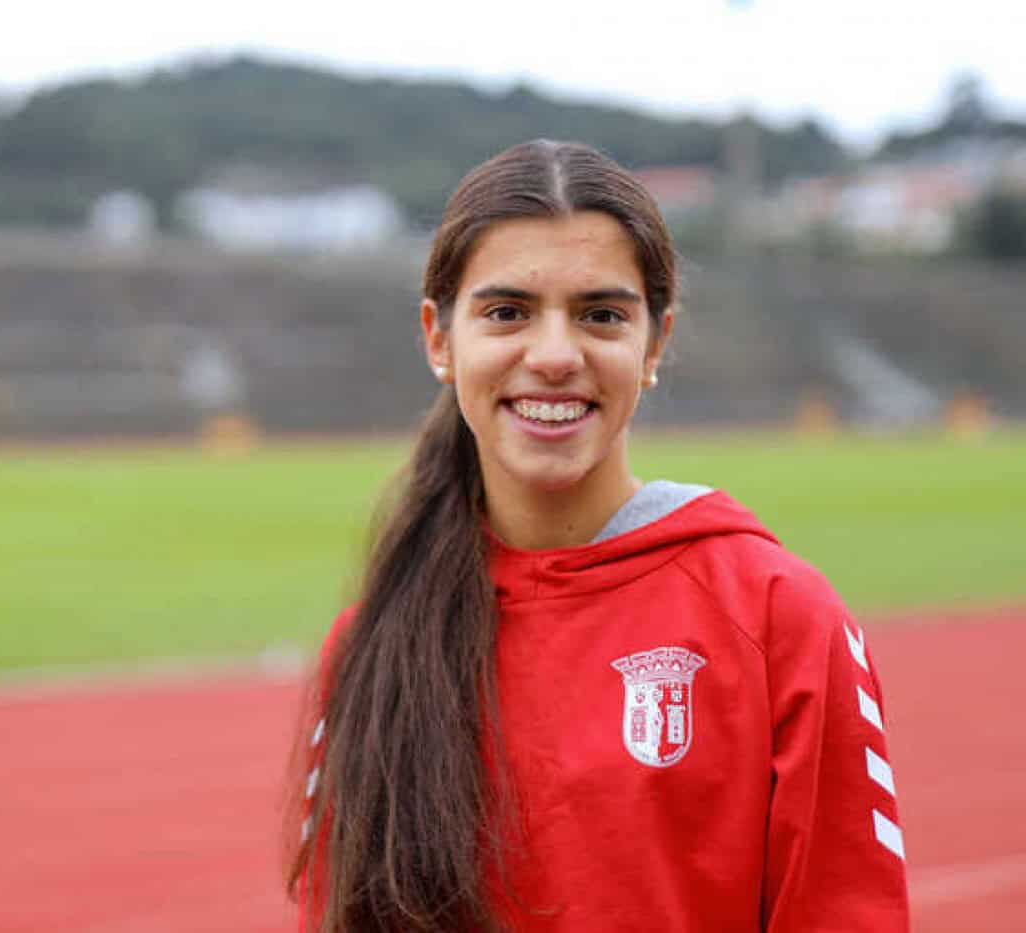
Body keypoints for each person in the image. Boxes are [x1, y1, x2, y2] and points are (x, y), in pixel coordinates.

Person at [285, 139, 909, 932]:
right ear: (439, 339)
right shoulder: (371, 647)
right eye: (507, 312)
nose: (554, 356)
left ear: (654, 344)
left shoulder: (777, 615)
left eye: (601, 315)